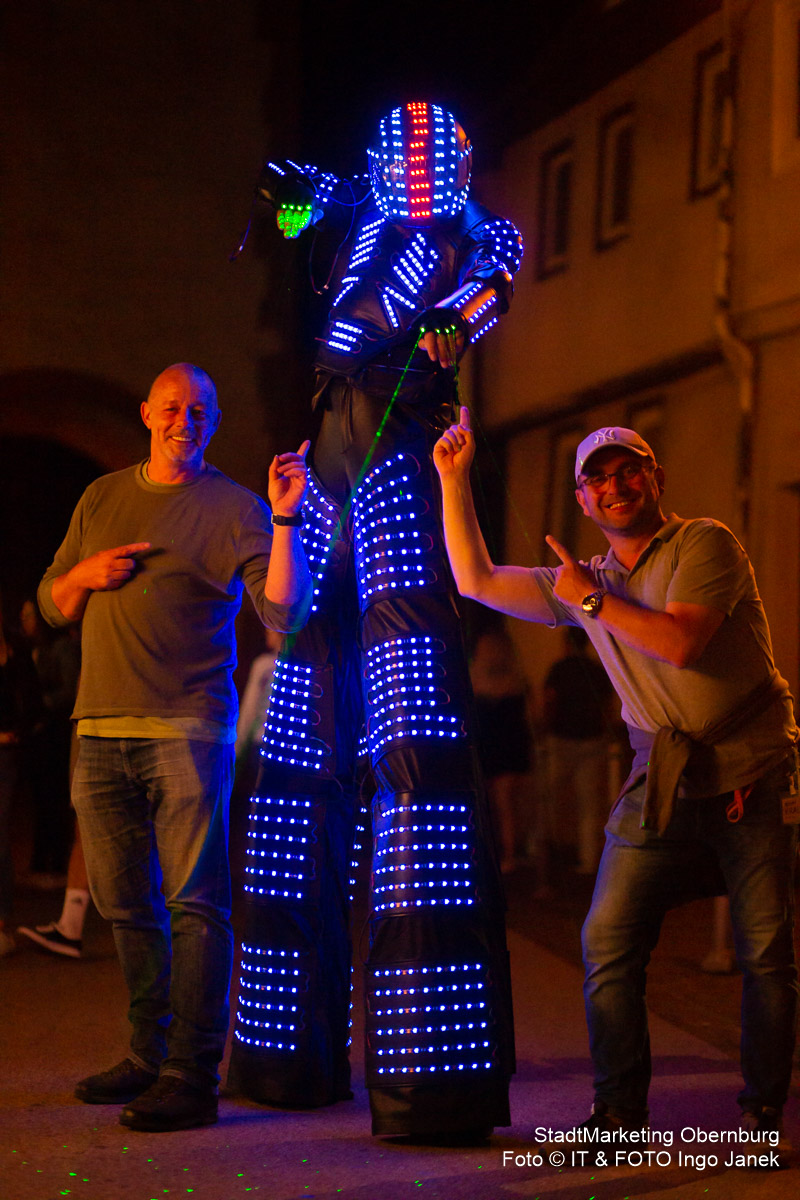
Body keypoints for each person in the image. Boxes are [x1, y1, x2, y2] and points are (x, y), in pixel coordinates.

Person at [228, 102, 522, 1138]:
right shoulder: (358, 202)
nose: (414, 182)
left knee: (412, 741)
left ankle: (425, 1075)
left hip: (399, 452)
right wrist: (289, 198)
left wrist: (457, 320)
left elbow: (487, 292)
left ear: (457, 168)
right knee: (296, 752)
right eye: (401, 166)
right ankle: (282, 1055)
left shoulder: (484, 232)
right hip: (328, 459)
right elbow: (297, 210)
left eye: (430, 167)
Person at [434, 413, 798, 1162]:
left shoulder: (704, 543)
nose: (615, 485)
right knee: (606, 939)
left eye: (629, 469)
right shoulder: (585, 581)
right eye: (597, 479)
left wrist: (590, 601)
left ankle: (761, 1118)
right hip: (659, 775)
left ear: (655, 476)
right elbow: (475, 580)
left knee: (764, 953)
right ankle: (618, 1117)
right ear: (583, 499)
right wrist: (453, 479)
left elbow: (681, 642)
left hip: (752, 772)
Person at [36, 362, 312, 1132]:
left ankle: (191, 1073)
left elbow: (285, 614)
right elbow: (51, 604)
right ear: (146, 414)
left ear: (213, 422)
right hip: (99, 729)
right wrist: (85, 574)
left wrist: (285, 522)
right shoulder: (102, 498)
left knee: (194, 903)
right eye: (170, 408)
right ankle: (146, 1054)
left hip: (188, 729)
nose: (182, 421)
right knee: (125, 905)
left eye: (198, 411)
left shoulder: (236, 507)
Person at [541, 627, 615, 876]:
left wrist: (545, 729)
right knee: (590, 805)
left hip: (562, 740)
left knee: (548, 799)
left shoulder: (559, 669)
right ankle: (588, 861)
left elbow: (550, 701)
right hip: (593, 741)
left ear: (566, 643)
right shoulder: (596, 670)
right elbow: (607, 706)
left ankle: (543, 854)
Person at [470, 627, 533, 873]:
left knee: (500, 805)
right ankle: (510, 853)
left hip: (495, 746)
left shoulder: (477, 682)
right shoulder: (516, 682)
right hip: (510, 745)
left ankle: (505, 854)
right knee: (508, 804)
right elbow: (529, 716)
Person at [0, 588, 42, 957]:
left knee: (1, 831)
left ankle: (2, 922)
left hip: (8, 751)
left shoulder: (17, 649)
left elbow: (33, 698)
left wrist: (21, 731)